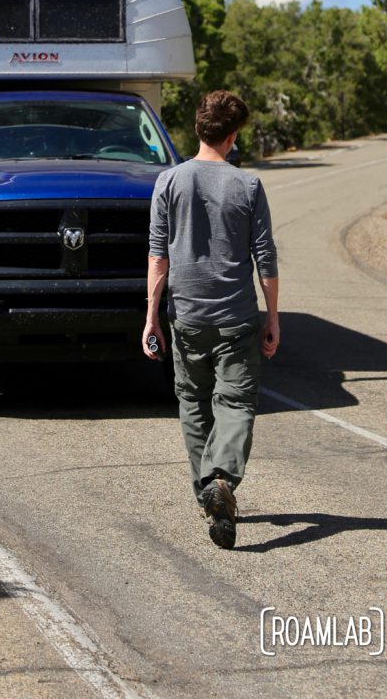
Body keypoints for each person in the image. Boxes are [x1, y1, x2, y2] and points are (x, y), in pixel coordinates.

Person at [142, 90, 279, 550]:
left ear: (199, 130)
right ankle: (220, 479)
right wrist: (273, 317)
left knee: (194, 402)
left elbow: (157, 258)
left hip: (187, 316)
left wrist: (151, 319)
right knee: (236, 403)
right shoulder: (248, 186)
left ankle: (207, 491)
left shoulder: (169, 182)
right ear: (233, 136)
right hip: (237, 317)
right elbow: (265, 260)